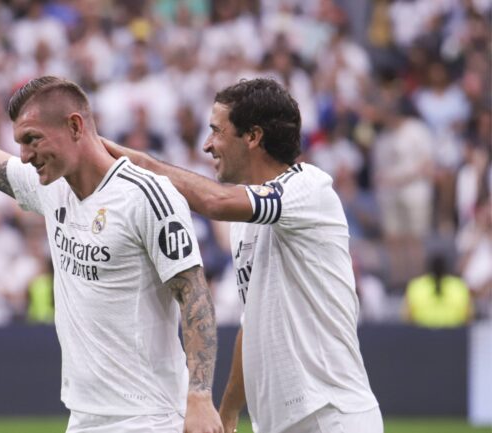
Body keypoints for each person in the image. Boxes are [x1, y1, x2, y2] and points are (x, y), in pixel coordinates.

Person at [0, 6, 222, 433]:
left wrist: (198, 397)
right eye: (20, 143)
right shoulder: (50, 186)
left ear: (75, 125)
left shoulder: (147, 196)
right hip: (83, 418)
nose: (24, 154)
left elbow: (193, 295)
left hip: (149, 418)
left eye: (32, 139)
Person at [105, 78, 381, 433]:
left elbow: (214, 201)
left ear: (252, 137)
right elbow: (252, 322)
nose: (207, 145)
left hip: (331, 415)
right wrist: (230, 410)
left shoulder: (309, 188)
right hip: (280, 423)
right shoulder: (245, 222)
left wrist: (142, 164)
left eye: (217, 131)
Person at [403, 253, 474, 328]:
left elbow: (407, 318)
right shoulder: (459, 286)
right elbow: (469, 318)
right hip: (453, 336)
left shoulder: (416, 286)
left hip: (422, 335)